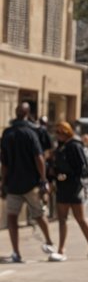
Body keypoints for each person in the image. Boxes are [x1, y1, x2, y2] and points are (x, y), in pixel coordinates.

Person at [1, 102, 55, 262]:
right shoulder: (31, 133)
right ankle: (49, 242)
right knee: (39, 215)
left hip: (13, 184)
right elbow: (38, 158)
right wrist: (43, 179)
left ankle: (16, 252)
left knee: (12, 218)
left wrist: (3, 182)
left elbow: (4, 162)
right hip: (31, 183)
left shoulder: (7, 133)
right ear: (28, 114)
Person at [48, 121, 88, 259]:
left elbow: (83, 169)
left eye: (59, 132)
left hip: (74, 187)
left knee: (80, 219)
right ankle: (61, 249)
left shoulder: (75, 145)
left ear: (66, 132)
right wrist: (55, 173)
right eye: (56, 132)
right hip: (62, 187)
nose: (57, 135)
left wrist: (68, 175)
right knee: (62, 219)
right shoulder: (60, 147)